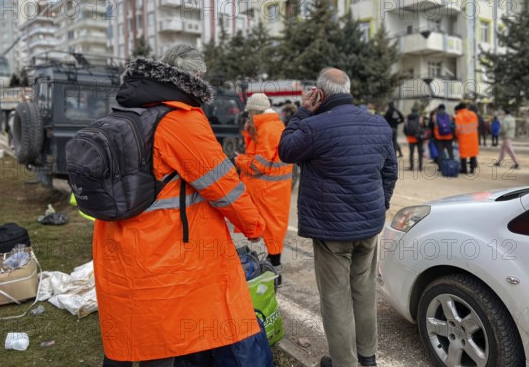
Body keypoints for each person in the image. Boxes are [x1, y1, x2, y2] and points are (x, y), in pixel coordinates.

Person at [94, 45, 272, 367]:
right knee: (161, 343)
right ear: (194, 76)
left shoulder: (124, 110)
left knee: (127, 335)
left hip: (117, 242)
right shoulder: (180, 120)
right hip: (162, 250)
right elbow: (225, 188)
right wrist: (254, 227)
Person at [278, 68, 398, 367]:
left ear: (319, 93)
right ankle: (367, 356)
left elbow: (285, 150)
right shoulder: (378, 124)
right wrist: (379, 204)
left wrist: (303, 111)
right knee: (364, 291)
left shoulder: (314, 126)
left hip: (332, 231)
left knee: (335, 298)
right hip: (369, 226)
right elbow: (390, 171)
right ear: (348, 89)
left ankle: (344, 362)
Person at [235, 93, 293, 286]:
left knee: (270, 230)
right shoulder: (274, 125)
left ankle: (274, 272)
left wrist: (238, 160)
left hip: (267, 189)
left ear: (254, 111)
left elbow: (258, 165)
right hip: (274, 189)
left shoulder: (267, 129)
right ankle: (273, 269)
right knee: (274, 228)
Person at [454, 103, 479, 174]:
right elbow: (476, 125)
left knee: (463, 154)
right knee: (473, 153)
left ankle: (464, 170)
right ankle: (472, 169)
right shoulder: (473, 114)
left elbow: (458, 129)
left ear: (458, 109)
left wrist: (456, 135)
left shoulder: (458, 116)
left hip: (463, 138)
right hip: (473, 138)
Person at [432, 104, 454, 168]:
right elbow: (452, 126)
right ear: (444, 109)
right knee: (450, 152)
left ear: (438, 109)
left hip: (439, 137)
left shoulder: (435, 116)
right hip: (449, 137)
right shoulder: (449, 116)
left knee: (440, 152)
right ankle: (452, 166)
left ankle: (440, 167)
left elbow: (433, 125)